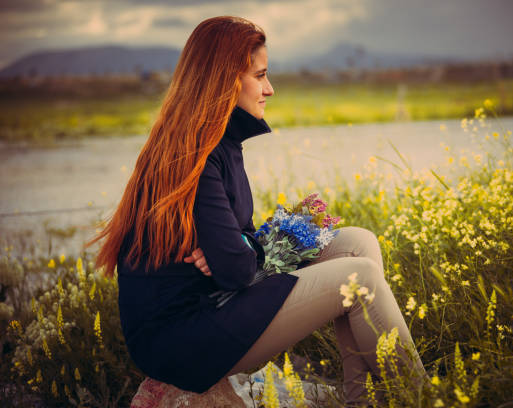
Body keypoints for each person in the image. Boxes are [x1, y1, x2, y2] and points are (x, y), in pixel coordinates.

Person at [91, 16, 427, 406]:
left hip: (214, 303)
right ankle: (421, 399)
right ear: (225, 79)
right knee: (361, 278)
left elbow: (241, 245)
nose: (270, 88)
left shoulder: (221, 143)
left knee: (358, 243)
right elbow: (236, 269)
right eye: (260, 75)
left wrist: (237, 246)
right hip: (184, 338)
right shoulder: (193, 155)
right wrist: (235, 250)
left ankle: (364, 400)